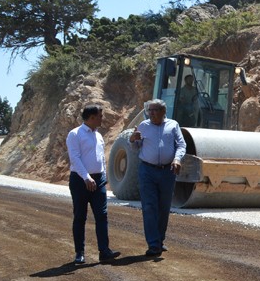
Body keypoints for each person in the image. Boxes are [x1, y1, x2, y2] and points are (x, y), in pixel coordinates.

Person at [130, 99, 186, 257]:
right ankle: (153, 244)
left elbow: (181, 145)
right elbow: (135, 148)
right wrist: (132, 139)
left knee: (164, 207)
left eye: (155, 110)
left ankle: (159, 240)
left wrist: (177, 159)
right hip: (147, 171)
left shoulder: (173, 125)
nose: (151, 113)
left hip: (168, 172)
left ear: (163, 112)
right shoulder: (143, 126)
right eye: (150, 110)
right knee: (149, 206)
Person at [66, 104, 120, 264]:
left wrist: (103, 175)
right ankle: (79, 253)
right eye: (99, 116)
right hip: (80, 181)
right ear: (91, 117)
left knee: (102, 216)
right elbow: (74, 158)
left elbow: (100, 157)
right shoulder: (75, 134)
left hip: (98, 181)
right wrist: (86, 177)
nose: (102, 119)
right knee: (80, 217)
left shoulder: (98, 135)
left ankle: (104, 251)